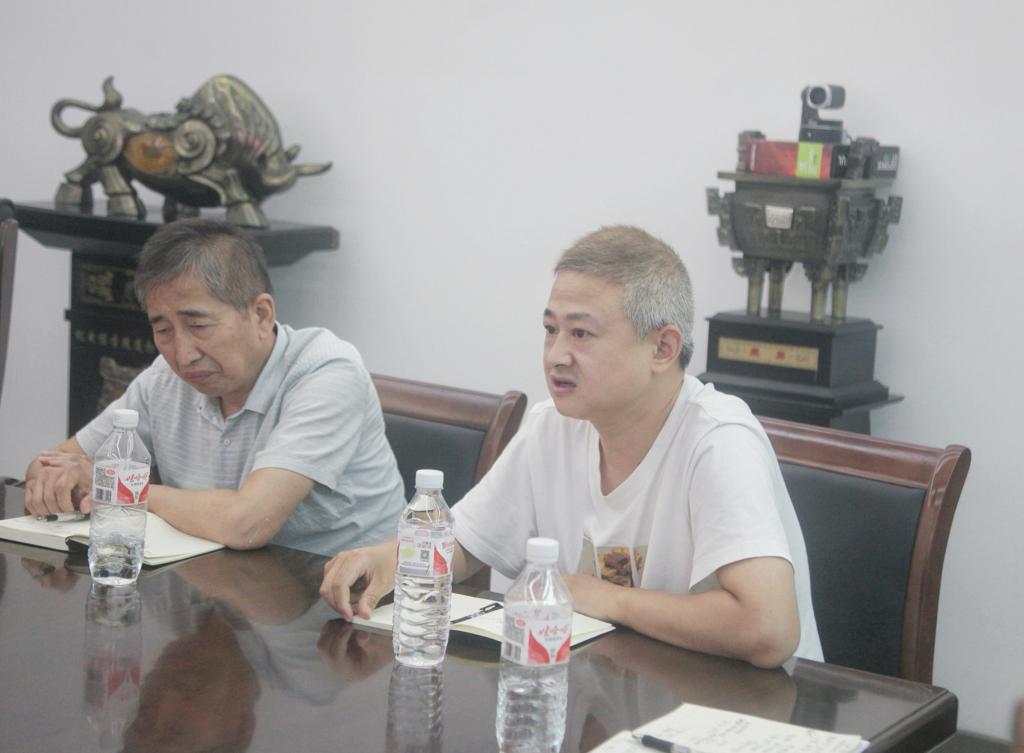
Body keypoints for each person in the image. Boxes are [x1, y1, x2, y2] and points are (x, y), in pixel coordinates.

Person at [321, 224, 822, 667]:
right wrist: (385, 560)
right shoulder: (554, 427)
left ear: (663, 348)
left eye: (581, 333)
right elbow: (467, 544)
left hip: (741, 711)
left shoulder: (718, 441)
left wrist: (607, 599)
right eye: (550, 330)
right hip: (615, 688)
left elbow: (769, 629)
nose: (556, 355)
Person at [24, 218, 405, 556]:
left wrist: (115, 484)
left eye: (199, 326)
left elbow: (247, 523)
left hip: (342, 596)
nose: (183, 354)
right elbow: (49, 463)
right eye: (163, 330)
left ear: (261, 314)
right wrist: (59, 478)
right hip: (215, 586)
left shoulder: (326, 372)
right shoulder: (165, 377)